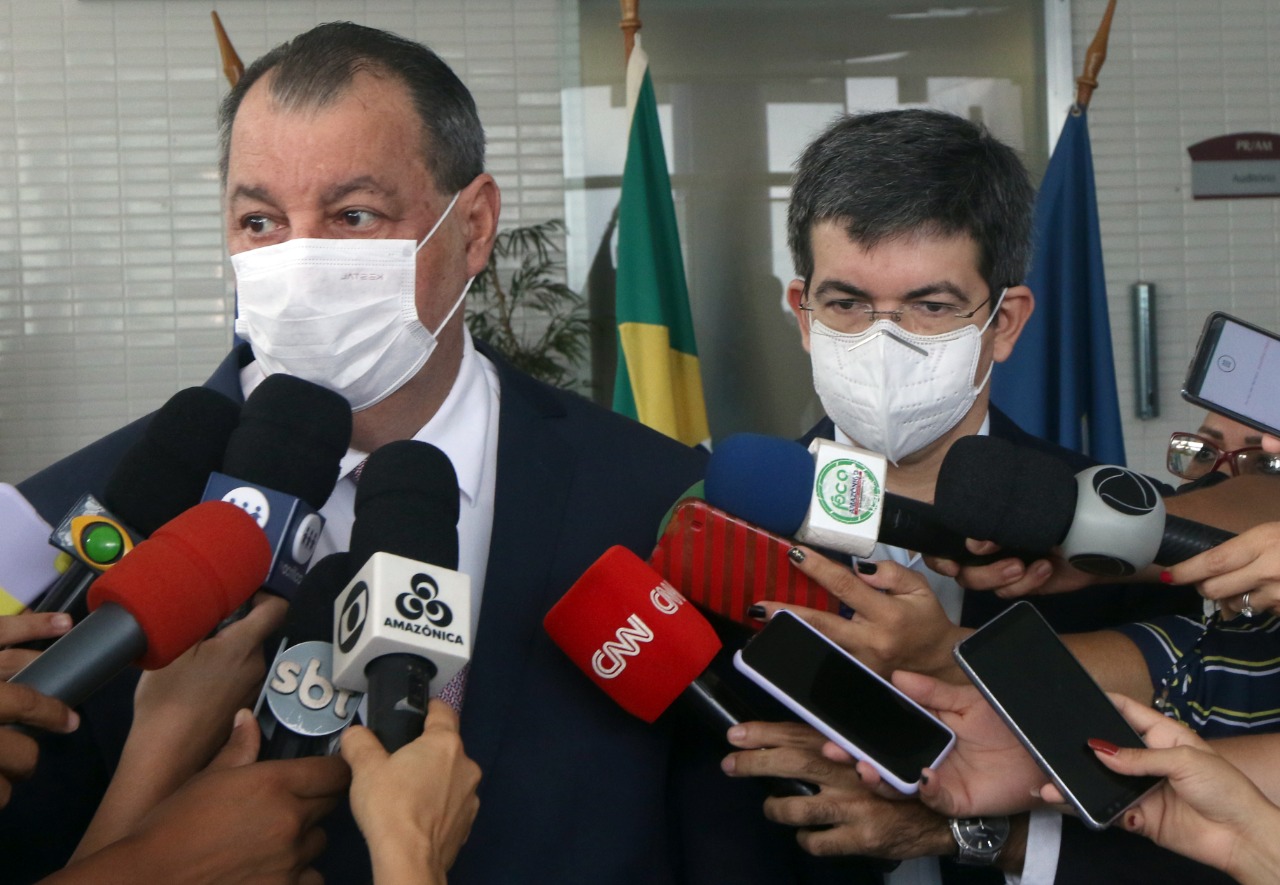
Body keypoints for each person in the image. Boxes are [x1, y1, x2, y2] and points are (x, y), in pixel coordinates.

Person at [2, 22, 835, 885]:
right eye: (260, 221)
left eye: (352, 215)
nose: (300, 260)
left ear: (473, 227)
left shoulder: (659, 502)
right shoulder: (73, 521)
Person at [725, 108, 1201, 884]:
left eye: (931, 306)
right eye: (847, 303)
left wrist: (973, 829)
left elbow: (1186, 818)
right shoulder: (726, 523)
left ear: (1004, 322)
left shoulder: (1122, 544)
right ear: (802, 313)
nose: (884, 343)